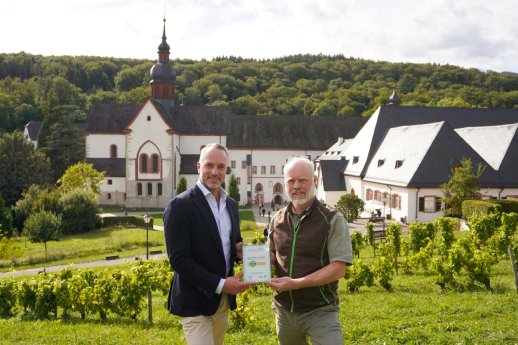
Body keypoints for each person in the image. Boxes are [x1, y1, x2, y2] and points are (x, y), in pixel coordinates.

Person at [163, 143, 253, 345]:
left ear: (226, 169)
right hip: (194, 300)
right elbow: (178, 260)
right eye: (209, 165)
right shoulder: (180, 206)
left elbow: (232, 243)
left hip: (221, 303)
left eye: (221, 167)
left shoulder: (231, 204)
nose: (215, 172)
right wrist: (221, 284)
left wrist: (239, 251)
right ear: (198, 166)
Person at [267, 156, 353, 345]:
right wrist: (254, 259)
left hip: (320, 310)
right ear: (285, 184)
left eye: (302, 180)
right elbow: (272, 256)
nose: (296, 186)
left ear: (314, 180)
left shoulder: (332, 219)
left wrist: (296, 283)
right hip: (285, 311)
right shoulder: (277, 219)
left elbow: (338, 268)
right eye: (291, 180)